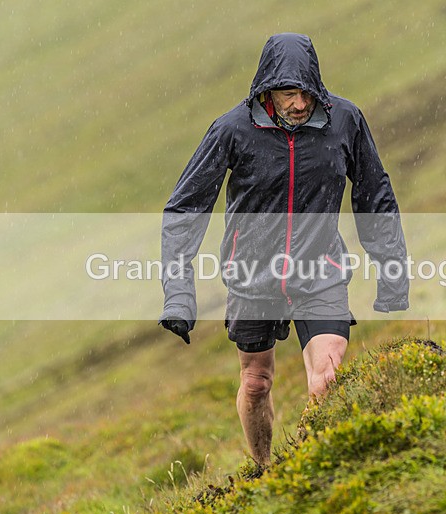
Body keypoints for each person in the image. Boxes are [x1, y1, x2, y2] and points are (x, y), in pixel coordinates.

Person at [159, 33, 409, 467]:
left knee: (327, 378)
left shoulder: (344, 121)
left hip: (321, 272)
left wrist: (392, 274)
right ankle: (265, 469)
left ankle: (312, 468)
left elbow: (375, 196)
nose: (299, 103)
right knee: (256, 382)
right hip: (252, 278)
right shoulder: (232, 130)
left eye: (306, 92)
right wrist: (179, 296)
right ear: (267, 91)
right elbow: (184, 210)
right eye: (288, 93)